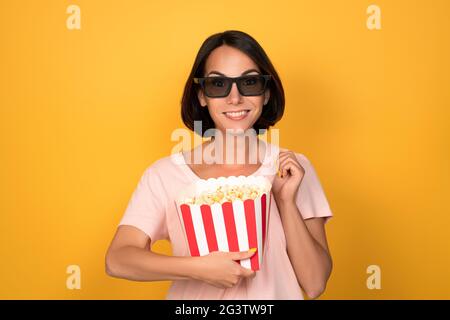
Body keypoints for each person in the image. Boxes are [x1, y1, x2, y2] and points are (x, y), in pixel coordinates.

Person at [105, 30, 333, 299]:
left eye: (249, 83)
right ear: (202, 96)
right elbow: (118, 259)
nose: (234, 98)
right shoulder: (165, 175)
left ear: (267, 93)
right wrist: (196, 268)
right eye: (218, 85)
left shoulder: (291, 169)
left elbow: (315, 283)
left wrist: (285, 201)